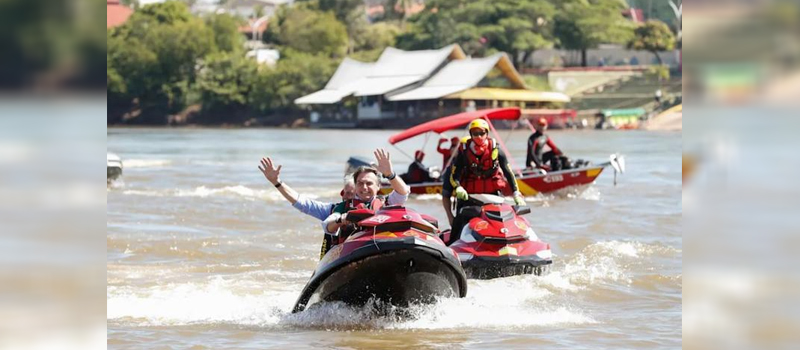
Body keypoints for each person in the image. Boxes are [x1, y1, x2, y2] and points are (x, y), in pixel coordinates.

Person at [447, 119, 525, 244]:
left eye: (481, 133)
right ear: (471, 135)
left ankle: (506, 242)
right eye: (475, 133)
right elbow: (454, 175)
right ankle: (453, 245)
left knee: (503, 221)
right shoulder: (464, 151)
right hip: (469, 197)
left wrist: (516, 192)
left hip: (492, 196)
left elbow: (509, 172)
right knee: (459, 222)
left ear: (487, 133)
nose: (478, 136)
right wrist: (458, 187)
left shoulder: (496, 150)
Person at [321, 149, 409, 254]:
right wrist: (341, 220)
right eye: (360, 183)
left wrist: (390, 174)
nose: (364, 187)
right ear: (355, 186)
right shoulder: (343, 207)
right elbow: (327, 226)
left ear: (378, 186)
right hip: (351, 252)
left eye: (369, 183)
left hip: (381, 248)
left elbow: (403, 193)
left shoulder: (386, 202)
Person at [258, 157, 354, 221]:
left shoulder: (369, 208)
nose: (348, 196)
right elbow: (302, 203)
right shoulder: (330, 211)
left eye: (352, 193)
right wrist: (276, 182)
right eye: (345, 193)